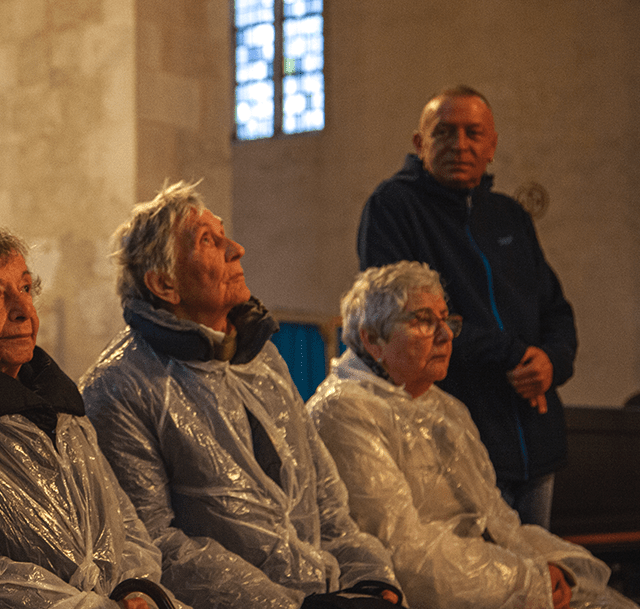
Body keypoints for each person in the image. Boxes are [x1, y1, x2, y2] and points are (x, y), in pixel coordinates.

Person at [80, 181, 403, 609]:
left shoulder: (261, 358)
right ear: (165, 284)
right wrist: (292, 606)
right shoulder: (119, 386)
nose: (237, 249)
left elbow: (324, 495)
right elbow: (154, 543)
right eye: (209, 241)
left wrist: (371, 578)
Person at [306, 261, 638, 609]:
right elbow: (398, 553)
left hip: (490, 579)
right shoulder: (344, 411)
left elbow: (497, 519)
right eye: (422, 321)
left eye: (447, 320)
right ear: (372, 339)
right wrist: (531, 582)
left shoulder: (447, 408)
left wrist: (555, 569)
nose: (446, 335)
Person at [0, 224, 183, 609]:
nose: (24, 311)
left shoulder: (60, 408)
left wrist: (138, 592)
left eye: (26, 289)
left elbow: (126, 526)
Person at [357, 85, 577, 528]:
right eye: (444, 133)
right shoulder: (393, 208)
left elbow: (555, 311)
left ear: (492, 145)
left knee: (536, 581)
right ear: (420, 144)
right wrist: (514, 354)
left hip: (535, 443)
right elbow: (404, 319)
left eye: (474, 133)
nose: (460, 145)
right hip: (455, 441)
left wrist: (551, 362)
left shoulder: (510, 216)